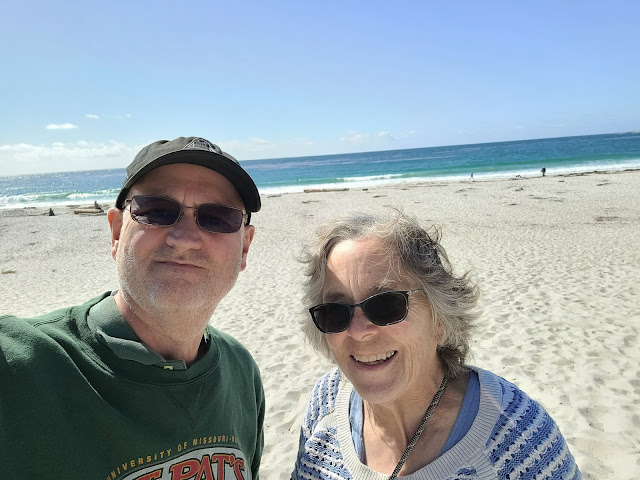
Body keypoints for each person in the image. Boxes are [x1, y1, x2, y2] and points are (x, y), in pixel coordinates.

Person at [0, 137, 265, 479]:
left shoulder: (241, 371)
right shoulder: (22, 366)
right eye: (156, 211)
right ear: (116, 232)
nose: (184, 238)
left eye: (217, 217)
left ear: (244, 248)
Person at [292, 210, 581, 480]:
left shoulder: (521, 442)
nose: (358, 331)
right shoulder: (326, 403)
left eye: (386, 305)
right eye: (335, 311)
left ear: (440, 318)